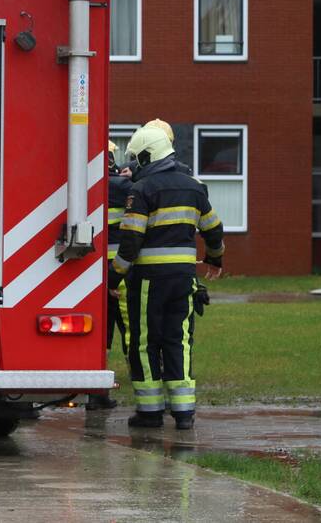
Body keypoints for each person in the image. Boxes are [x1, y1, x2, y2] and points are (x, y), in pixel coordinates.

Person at [109, 125, 224, 430]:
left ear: (149, 155)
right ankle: (184, 413)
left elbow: (131, 242)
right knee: (179, 340)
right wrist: (215, 258)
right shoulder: (195, 187)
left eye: (138, 159)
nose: (135, 165)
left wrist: (113, 277)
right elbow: (213, 228)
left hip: (149, 280)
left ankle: (150, 412)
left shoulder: (142, 190)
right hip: (184, 279)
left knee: (145, 342)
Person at [87, 141, 132, 411]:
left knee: (99, 334)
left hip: (92, 273)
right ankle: (139, 377)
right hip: (121, 269)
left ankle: (96, 393)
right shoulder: (125, 187)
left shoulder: (86, 187)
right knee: (130, 329)